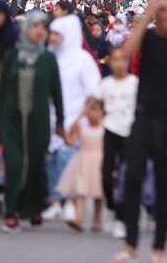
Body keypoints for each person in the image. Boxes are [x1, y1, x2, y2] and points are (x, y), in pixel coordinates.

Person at [113, 0, 167, 263]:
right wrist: (146, 16)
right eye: (161, 10)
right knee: (132, 178)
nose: (165, 15)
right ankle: (130, 244)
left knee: (164, 185)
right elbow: (125, 54)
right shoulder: (147, 38)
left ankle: (159, 247)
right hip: (143, 117)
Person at [0, 11, 64, 232]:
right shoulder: (12, 55)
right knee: (15, 164)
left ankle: (33, 207)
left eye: (43, 27)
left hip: (39, 120)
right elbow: (2, 90)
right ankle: (11, 211)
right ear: (26, 29)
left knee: (35, 163)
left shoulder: (48, 59)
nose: (39, 31)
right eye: (35, 26)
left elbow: (56, 92)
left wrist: (61, 122)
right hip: (11, 119)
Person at [43, 14, 101, 222]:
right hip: (50, 118)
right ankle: (55, 202)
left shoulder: (83, 59)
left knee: (68, 162)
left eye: (57, 34)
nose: (53, 38)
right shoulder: (49, 56)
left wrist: (80, 119)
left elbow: (94, 91)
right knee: (51, 160)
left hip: (76, 120)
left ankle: (69, 202)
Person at [95, 47, 139, 240]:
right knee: (106, 174)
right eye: (115, 60)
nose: (119, 64)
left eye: (123, 60)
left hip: (130, 132)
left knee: (125, 175)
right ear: (110, 62)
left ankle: (122, 217)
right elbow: (94, 104)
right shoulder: (105, 84)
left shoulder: (135, 83)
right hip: (110, 130)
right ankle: (112, 205)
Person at [57, 97, 105, 232]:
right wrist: (79, 117)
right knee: (80, 191)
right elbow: (70, 141)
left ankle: (97, 218)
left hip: (99, 161)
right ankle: (78, 218)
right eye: (89, 110)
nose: (92, 114)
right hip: (82, 161)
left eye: (95, 110)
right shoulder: (81, 127)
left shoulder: (105, 127)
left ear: (102, 112)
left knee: (98, 193)